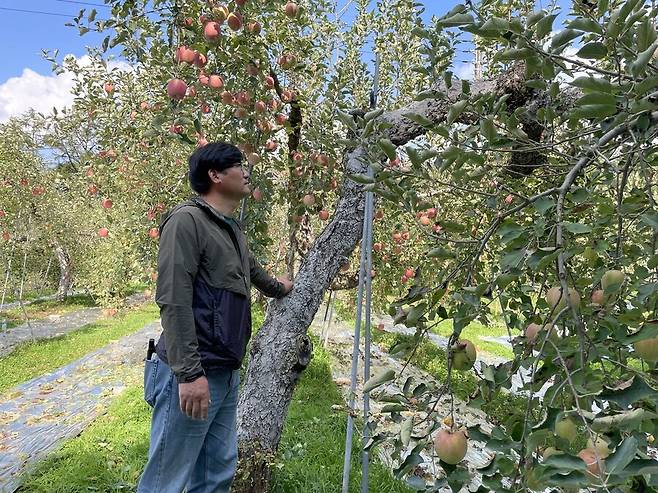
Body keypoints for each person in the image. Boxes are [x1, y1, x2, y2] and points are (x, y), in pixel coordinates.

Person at [137, 142, 293, 493]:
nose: (247, 171)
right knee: (168, 478)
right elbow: (173, 299)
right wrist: (189, 374)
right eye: (239, 165)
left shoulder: (232, 229)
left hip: (224, 369)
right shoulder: (186, 221)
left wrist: (280, 288)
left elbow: (253, 272)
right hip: (195, 372)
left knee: (216, 472)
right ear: (215, 174)